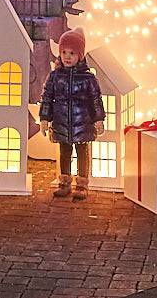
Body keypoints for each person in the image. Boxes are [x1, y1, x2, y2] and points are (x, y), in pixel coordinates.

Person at [37, 27, 105, 200]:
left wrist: (98, 120)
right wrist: (45, 118)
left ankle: (82, 184)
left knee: (82, 152)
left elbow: (95, 100)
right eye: (64, 52)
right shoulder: (55, 76)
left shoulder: (88, 78)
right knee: (64, 153)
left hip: (83, 123)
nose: (67, 57)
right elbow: (47, 98)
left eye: (72, 53)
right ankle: (64, 183)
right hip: (61, 123)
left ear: (80, 56)